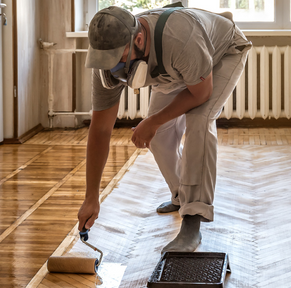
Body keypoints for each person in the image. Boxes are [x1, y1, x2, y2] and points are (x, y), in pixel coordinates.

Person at [77, 4, 251, 252]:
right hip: (175, 66)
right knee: (158, 136)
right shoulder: (105, 62)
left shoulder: (180, 36)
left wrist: (153, 120)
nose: (113, 69)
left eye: (119, 59)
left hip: (221, 52)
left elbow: (201, 94)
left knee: (199, 121)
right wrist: (91, 196)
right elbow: (101, 130)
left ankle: (193, 220)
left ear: (138, 39)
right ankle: (182, 196)